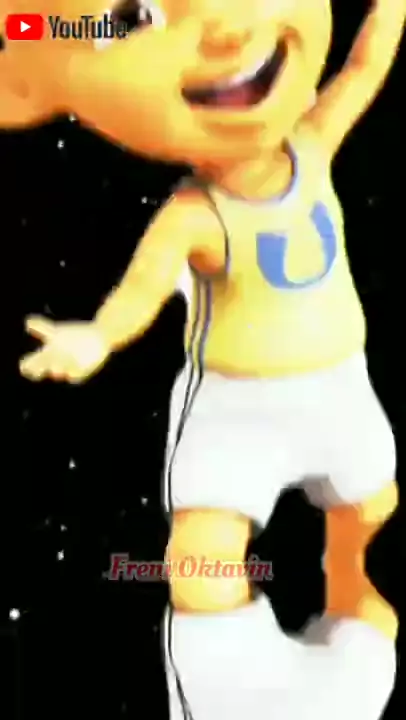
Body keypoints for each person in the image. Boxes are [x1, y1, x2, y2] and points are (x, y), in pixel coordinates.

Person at [4, 1, 404, 718]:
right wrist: (98, 337)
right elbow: (142, 292)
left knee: (371, 519)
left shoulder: (313, 145)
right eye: (134, 16)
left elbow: (366, 64)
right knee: (202, 566)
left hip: (341, 388)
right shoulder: (195, 215)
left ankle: (359, 656)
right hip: (238, 408)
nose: (226, 31)